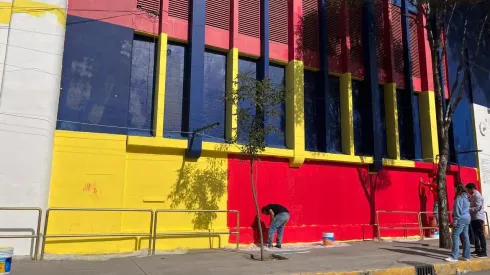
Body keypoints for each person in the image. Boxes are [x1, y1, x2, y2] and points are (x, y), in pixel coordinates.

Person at [445, 184, 471, 262]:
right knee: (465, 236)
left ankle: (454, 256)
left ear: (457, 189)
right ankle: (466, 256)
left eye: (455, 189)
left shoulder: (459, 198)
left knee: (455, 236)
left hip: (460, 219)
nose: (454, 190)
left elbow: (457, 210)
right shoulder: (466, 197)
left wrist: (455, 221)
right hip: (467, 218)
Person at [466, 183, 487, 258]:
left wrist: (469, 209)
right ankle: (477, 250)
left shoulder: (477, 196)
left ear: (472, 188)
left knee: (480, 234)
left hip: (478, 217)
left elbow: (478, 207)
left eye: (468, 190)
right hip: (474, 217)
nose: (468, 192)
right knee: (475, 235)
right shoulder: (473, 196)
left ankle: (484, 252)